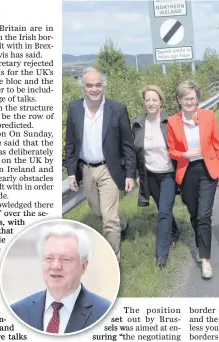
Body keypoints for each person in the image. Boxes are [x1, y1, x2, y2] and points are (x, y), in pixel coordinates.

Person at [65, 67, 136, 261]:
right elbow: (70, 143)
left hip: (109, 169)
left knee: (109, 219)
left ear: (104, 86)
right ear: (83, 88)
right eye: (89, 85)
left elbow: (127, 145)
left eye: (98, 85)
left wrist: (130, 173)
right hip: (86, 169)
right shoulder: (74, 108)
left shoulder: (118, 109)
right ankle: (123, 224)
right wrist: (71, 172)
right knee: (99, 211)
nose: (94, 89)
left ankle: (113, 259)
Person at [167, 80, 219, 280]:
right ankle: (202, 244)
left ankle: (205, 259)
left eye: (192, 98)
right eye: (185, 98)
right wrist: (185, 154)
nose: (189, 102)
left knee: (203, 215)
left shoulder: (208, 116)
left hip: (207, 170)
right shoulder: (173, 122)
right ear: (179, 100)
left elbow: (218, 146)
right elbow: (172, 150)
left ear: (198, 99)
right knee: (193, 212)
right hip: (187, 171)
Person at [11, 225, 111, 334]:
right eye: (49, 258)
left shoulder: (105, 313)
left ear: (83, 266)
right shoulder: (17, 311)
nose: (55, 266)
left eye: (65, 259)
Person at [132, 85, 180, 268]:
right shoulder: (138, 124)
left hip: (168, 174)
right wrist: (137, 173)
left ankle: (162, 253)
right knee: (163, 209)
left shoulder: (171, 122)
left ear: (161, 102)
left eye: (155, 100)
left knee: (164, 211)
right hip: (149, 175)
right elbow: (135, 151)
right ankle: (174, 232)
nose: (151, 103)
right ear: (143, 102)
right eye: (147, 100)